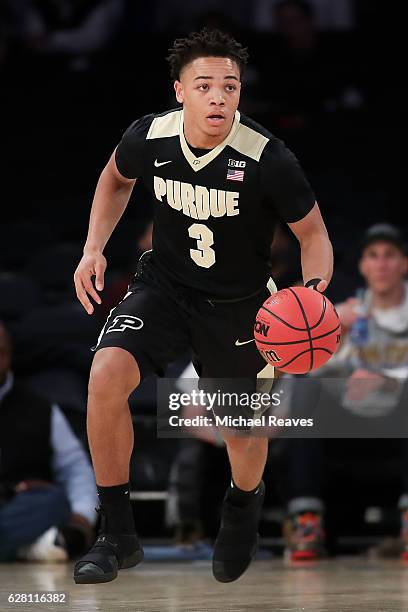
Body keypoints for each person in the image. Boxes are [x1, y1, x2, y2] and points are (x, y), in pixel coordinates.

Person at [73, 28, 333, 584]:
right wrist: (94, 248)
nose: (219, 97)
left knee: (241, 431)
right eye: (206, 85)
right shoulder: (150, 136)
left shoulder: (268, 156)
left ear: (240, 95)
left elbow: (314, 235)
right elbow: (114, 180)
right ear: (180, 91)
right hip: (165, 286)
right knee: (105, 375)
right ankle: (116, 533)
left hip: (240, 306)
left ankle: (242, 508)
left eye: (230, 87)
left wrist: (311, 294)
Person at [283, 223, 408, 560]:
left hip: (398, 419)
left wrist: (387, 378)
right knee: (307, 389)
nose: (381, 264)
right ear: (364, 266)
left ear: (403, 264)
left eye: (389, 256)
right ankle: (306, 522)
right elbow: (307, 368)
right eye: (373, 256)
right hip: (351, 419)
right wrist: (336, 334)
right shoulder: (346, 311)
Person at [0, 321, 98, 562]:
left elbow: (76, 470)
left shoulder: (40, 408)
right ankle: (28, 548)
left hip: (20, 508)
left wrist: (81, 518)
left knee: (53, 499)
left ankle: (18, 546)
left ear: (8, 356)